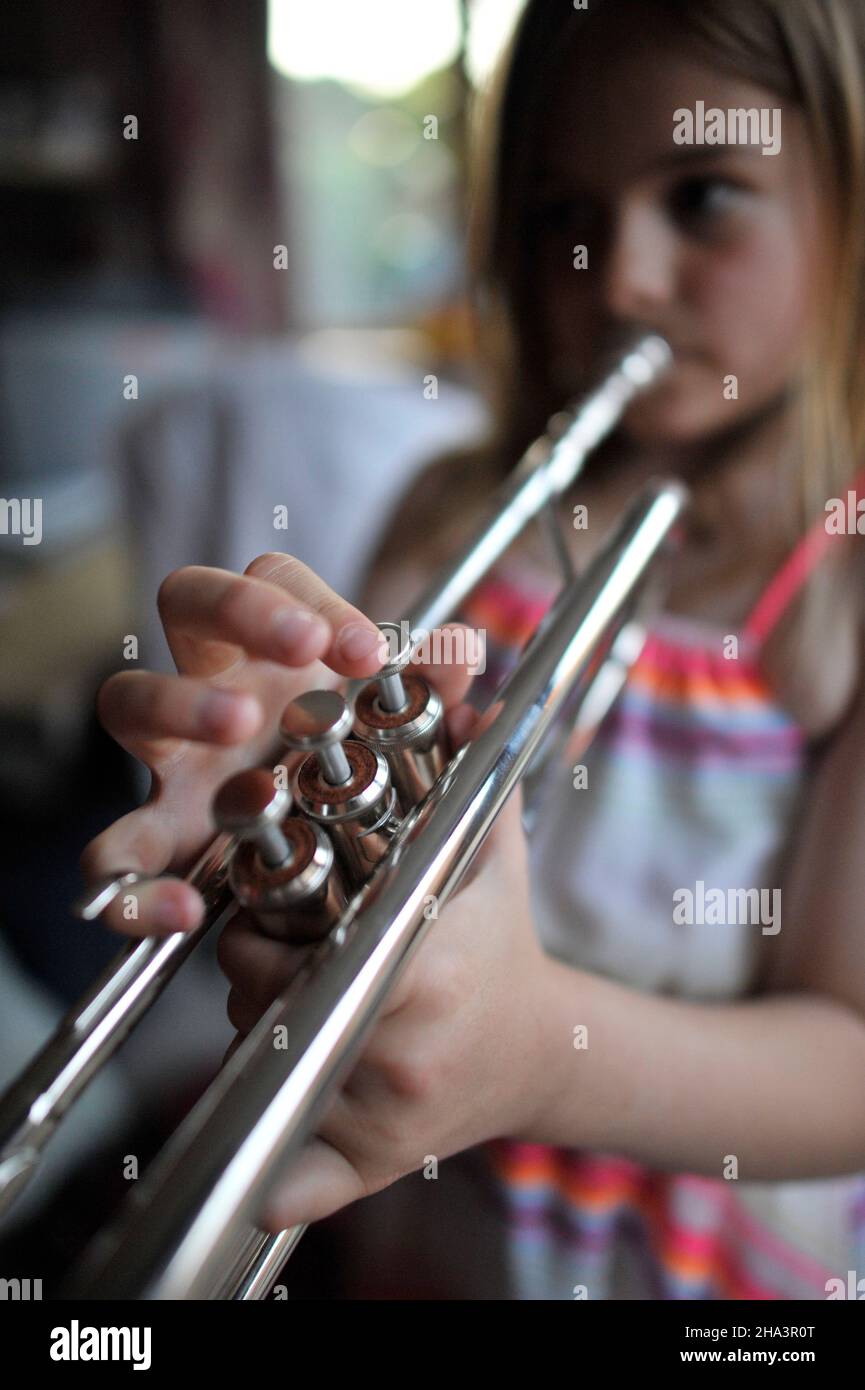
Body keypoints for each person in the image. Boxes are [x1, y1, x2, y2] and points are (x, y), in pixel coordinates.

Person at [81, 0, 865, 1299]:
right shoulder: (452, 514)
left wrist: (542, 1054)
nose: (617, 278)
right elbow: (337, 803)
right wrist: (258, 788)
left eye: (705, 195)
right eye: (565, 216)